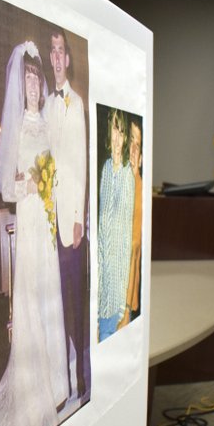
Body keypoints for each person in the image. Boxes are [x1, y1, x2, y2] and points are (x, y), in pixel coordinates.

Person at [0, 41, 69, 426]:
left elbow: (59, 169)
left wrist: (49, 188)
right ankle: (33, 390)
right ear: (21, 84)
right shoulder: (18, 127)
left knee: (50, 294)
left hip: (49, 223)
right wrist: (32, 187)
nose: (34, 85)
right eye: (29, 79)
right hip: (31, 223)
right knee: (32, 296)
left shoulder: (49, 122)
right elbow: (8, 187)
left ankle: (56, 383)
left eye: (38, 78)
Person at [43, 28, 89, 399]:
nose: (57, 57)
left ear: (68, 59)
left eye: (62, 51)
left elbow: (80, 165)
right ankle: (60, 378)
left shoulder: (77, 104)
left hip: (70, 224)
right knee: (55, 301)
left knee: (75, 302)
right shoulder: (44, 104)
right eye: (52, 51)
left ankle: (81, 377)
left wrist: (77, 219)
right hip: (48, 221)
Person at [98, 108, 135, 342]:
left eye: (121, 132)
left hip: (117, 289)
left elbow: (124, 240)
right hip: (102, 286)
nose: (117, 138)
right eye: (114, 129)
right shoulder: (104, 171)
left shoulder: (127, 177)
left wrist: (123, 301)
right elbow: (103, 232)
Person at [120, 118, 143, 328]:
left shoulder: (140, 191)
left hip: (128, 304)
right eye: (131, 143)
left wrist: (126, 312)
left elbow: (133, 250)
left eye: (138, 144)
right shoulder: (119, 180)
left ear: (142, 159)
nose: (133, 149)